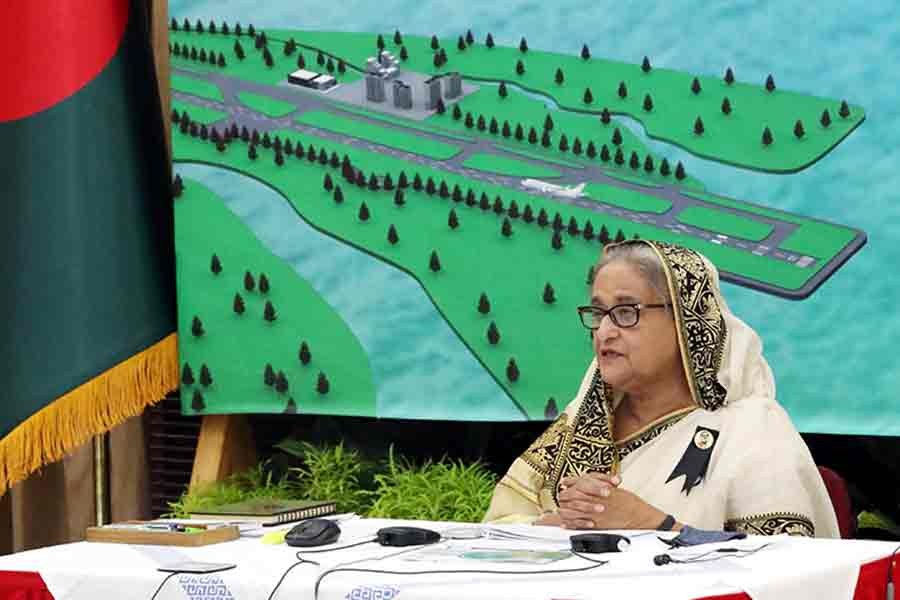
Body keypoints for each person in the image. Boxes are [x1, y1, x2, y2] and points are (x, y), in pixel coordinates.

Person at [483, 240, 839, 537]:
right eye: (599, 313)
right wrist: (560, 527)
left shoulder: (753, 432)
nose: (604, 332)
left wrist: (653, 526)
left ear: (685, 321)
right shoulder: (582, 423)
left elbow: (783, 569)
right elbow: (496, 528)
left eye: (626, 312)